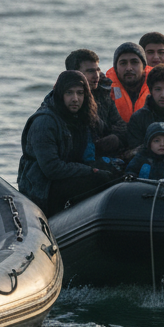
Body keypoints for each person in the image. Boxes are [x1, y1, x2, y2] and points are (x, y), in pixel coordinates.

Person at [18, 71, 118, 218]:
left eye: (80, 93)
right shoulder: (45, 122)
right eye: (69, 93)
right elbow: (52, 169)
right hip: (43, 188)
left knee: (112, 176)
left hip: (67, 176)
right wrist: (91, 171)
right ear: (60, 94)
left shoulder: (82, 116)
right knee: (98, 180)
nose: (75, 99)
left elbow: (108, 128)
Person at [65, 48, 127, 155]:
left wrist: (115, 138)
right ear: (74, 73)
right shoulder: (63, 99)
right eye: (90, 71)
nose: (96, 75)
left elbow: (121, 126)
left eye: (97, 70)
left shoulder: (103, 93)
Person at [106, 42, 149, 123]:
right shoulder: (105, 91)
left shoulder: (157, 87)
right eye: (123, 63)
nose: (129, 68)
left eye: (134, 62)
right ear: (116, 68)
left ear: (144, 66)